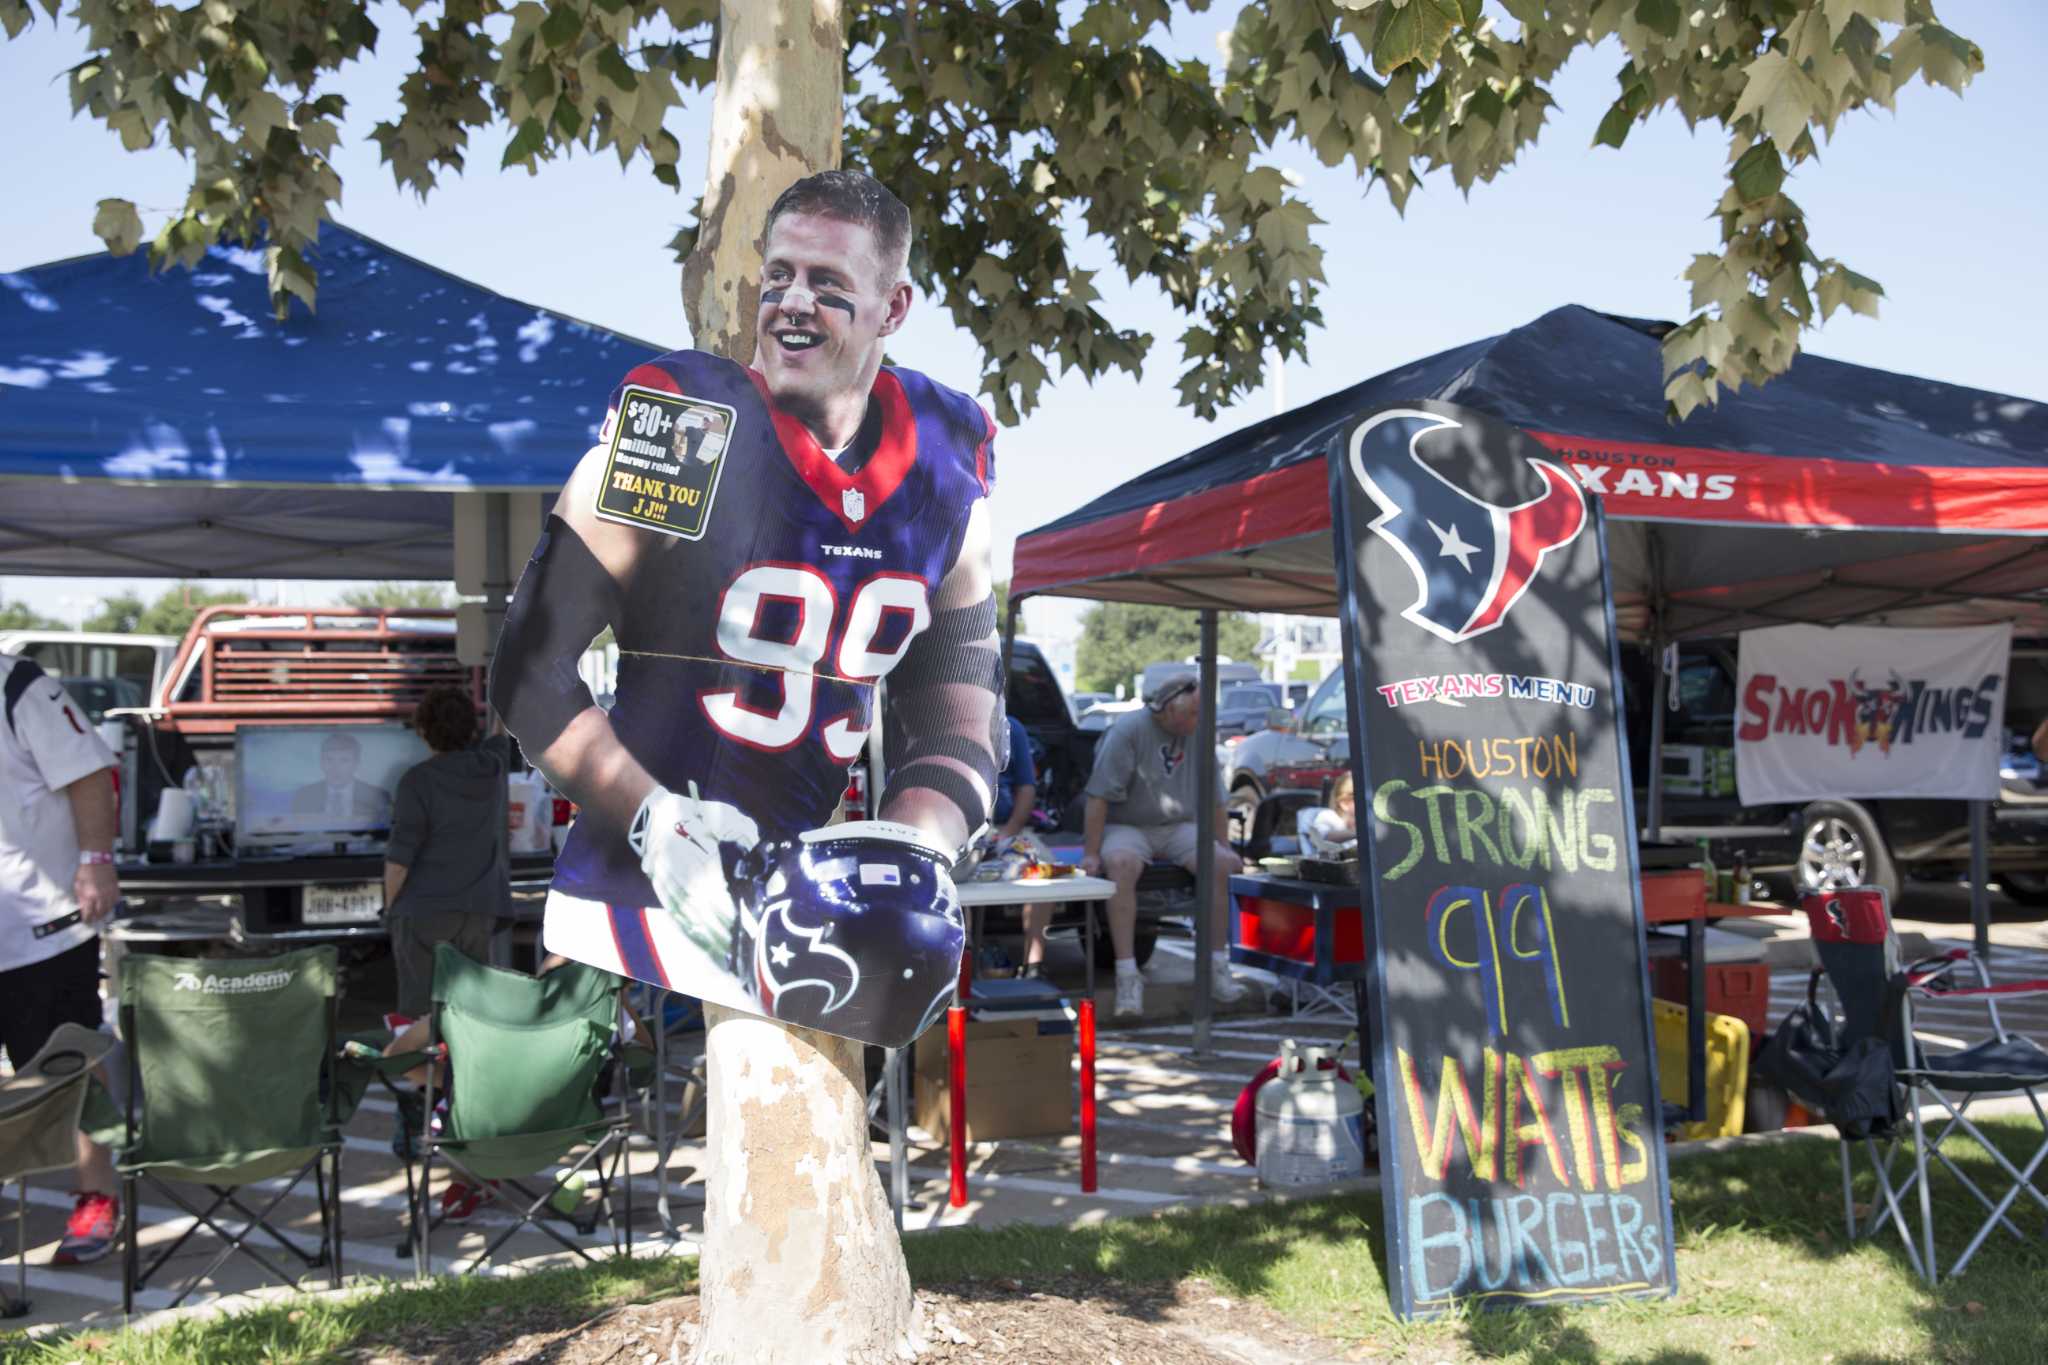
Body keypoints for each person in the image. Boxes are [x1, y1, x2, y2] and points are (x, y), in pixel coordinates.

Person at [490, 169, 1006, 1040]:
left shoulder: (944, 463)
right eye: (780, 276)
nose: (793, 304)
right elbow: (530, 669)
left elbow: (961, 723)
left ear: (894, 307)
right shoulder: (689, 428)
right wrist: (654, 815)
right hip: (644, 882)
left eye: (830, 285)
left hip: (808, 897)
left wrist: (915, 845)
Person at [0, 652, 122, 1263]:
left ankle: (96, 1197)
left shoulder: (20, 686)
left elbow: (90, 776)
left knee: (68, 1070)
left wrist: (96, 861)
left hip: (39, 928)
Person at [1079, 674, 1247, 1017]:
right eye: (1192, 714)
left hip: (1179, 825)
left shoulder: (1199, 733)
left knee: (1221, 864)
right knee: (1121, 865)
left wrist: (1225, 846)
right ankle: (1128, 974)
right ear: (1169, 710)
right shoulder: (1128, 731)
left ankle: (1217, 966)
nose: (1198, 721)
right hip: (1129, 823)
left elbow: (1216, 800)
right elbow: (1097, 798)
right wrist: (1092, 854)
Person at [382, 686, 512, 1021]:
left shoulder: (416, 782)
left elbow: (399, 862)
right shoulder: (492, 768)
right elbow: (499, 733)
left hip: (424, 913)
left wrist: (390, 907)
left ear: (424, 731)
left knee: (421, 1016)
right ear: (471, 729)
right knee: (471, 1014)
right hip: (478, 911)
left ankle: (429, 1073)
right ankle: (464, 1072)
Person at [290, 731, 394, 826]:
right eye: (329, 759)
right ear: (321, 762)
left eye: (344, 760)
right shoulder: (303, 796)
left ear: (356, 763)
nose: (335, 768)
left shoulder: (378, 796)